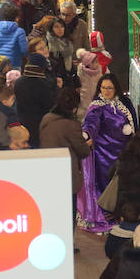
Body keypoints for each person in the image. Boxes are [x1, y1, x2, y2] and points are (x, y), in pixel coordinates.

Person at [78, 73, 137, 232]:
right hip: (103, 154)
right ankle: (108, 213)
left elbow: (133, 122)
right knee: (106, 183)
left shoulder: (125, 103)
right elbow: (91, 124)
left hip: (123, 151)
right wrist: (86, 134)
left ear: (116, 88)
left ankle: (124, 212)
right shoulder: (97, 107)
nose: (106, 91)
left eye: (109, 88)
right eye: (103, 87)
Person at [39, 87, 92, 229]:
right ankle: (68, 241)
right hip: (67, 173)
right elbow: (83, 150)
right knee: (69, 211)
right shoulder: (71, 125)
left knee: (52, 209)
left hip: (48, 171)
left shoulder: (46, 119)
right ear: (74, 108)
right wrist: (87, 144)